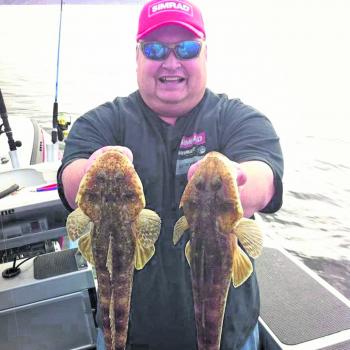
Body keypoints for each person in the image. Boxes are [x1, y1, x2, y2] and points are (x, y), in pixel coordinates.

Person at [57, 0, 283, 349]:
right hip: (129, 336)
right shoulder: (104, 121)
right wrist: (92, 170)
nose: (172, 61)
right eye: (156, 49)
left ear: (206, 55)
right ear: (137, 57)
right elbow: (71, 181)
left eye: (188, 48)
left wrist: (236, 182)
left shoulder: (239, 119)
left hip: (230, 338)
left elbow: (263, 180)